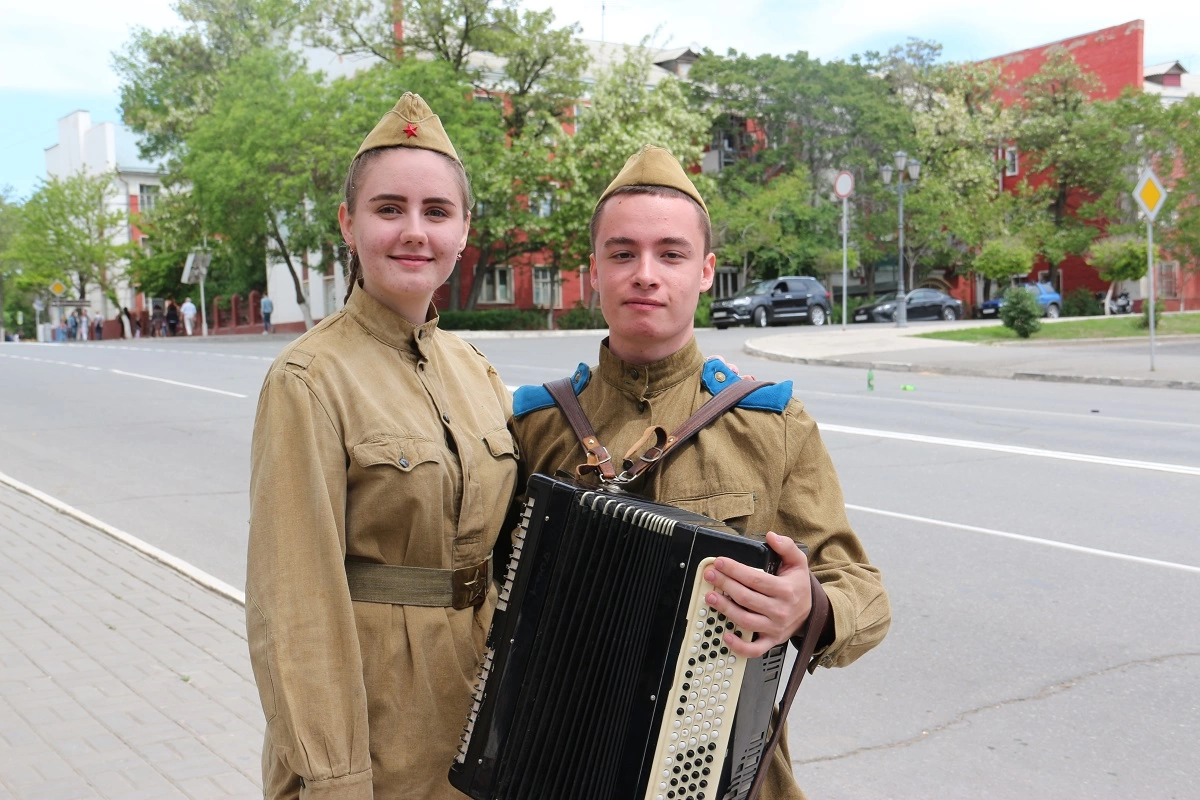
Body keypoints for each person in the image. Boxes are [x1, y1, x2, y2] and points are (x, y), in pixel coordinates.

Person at [510, 146, 891, 800]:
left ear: (707, 271)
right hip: (560, 761)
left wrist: (809, 606)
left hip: (719, 768)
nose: (646, 275)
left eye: (672, 253)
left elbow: (863, 590)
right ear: (593, 270)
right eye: (622, 253)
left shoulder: (770, 423)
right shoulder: (537, 424)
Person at [247, 92, 519, 800]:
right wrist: (335, 775)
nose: (414, 232)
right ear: (348, 222)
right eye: (388, 208)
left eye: (437, 212)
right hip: (378, 719)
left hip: (480, 712)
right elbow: (294, 603)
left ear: (463, 231)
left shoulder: (478, 373)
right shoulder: (309, 379)